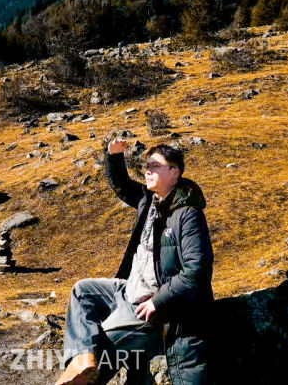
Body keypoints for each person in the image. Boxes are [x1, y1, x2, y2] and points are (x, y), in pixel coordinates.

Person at [55, 139, 214, 385]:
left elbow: (196, 271)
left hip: (152, 304)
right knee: (82, 291)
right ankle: (81, 362)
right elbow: (121, 185)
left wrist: (157, 301)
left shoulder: (188, 215)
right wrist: (114, 155)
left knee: (105, 342)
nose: (148, 170)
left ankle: (86, 379)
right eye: (146, 166)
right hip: (128, 289)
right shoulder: (149, 200)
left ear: (175, 172)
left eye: (155, 165)